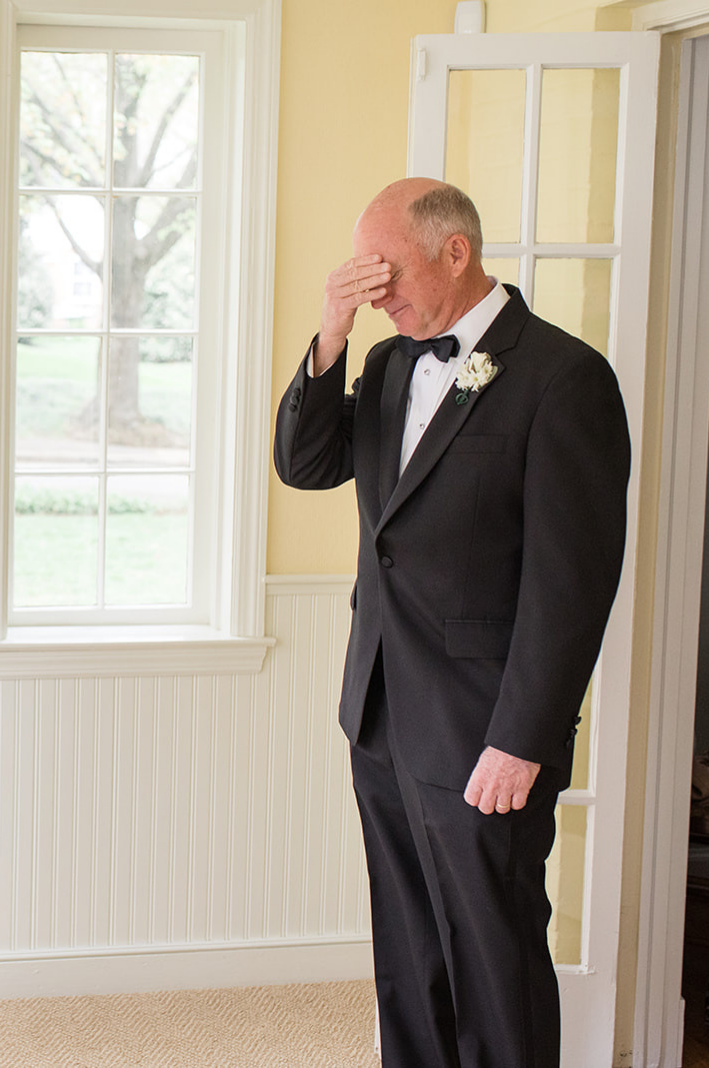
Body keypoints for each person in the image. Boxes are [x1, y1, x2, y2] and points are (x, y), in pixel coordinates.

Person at [273, 178, 630, 1068]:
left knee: (493, 957)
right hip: (383, 714)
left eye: (385, 270)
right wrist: (330, 329)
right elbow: (306, 462)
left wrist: (524, 739)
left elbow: (571, 586)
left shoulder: (565, 377)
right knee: (409, 954)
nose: (374, 288)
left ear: (455, 252)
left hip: (485, 734)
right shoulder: (388, 363)